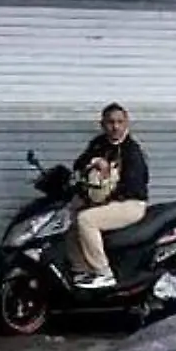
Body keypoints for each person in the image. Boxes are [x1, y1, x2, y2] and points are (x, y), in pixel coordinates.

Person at [69, 103, 150, 289]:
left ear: (126, 123)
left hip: (130, 204)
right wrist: (95, 161)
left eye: (120, 122)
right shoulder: (99, 144)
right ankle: (82, 270)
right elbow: (79, 164)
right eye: (111, 122)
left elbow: (134, 186)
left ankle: (103, 272)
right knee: (69, 219)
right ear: (102, 124)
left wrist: (106, 197)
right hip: (105, 202)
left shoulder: (132, 151)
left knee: (86, 220)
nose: (115, 127)